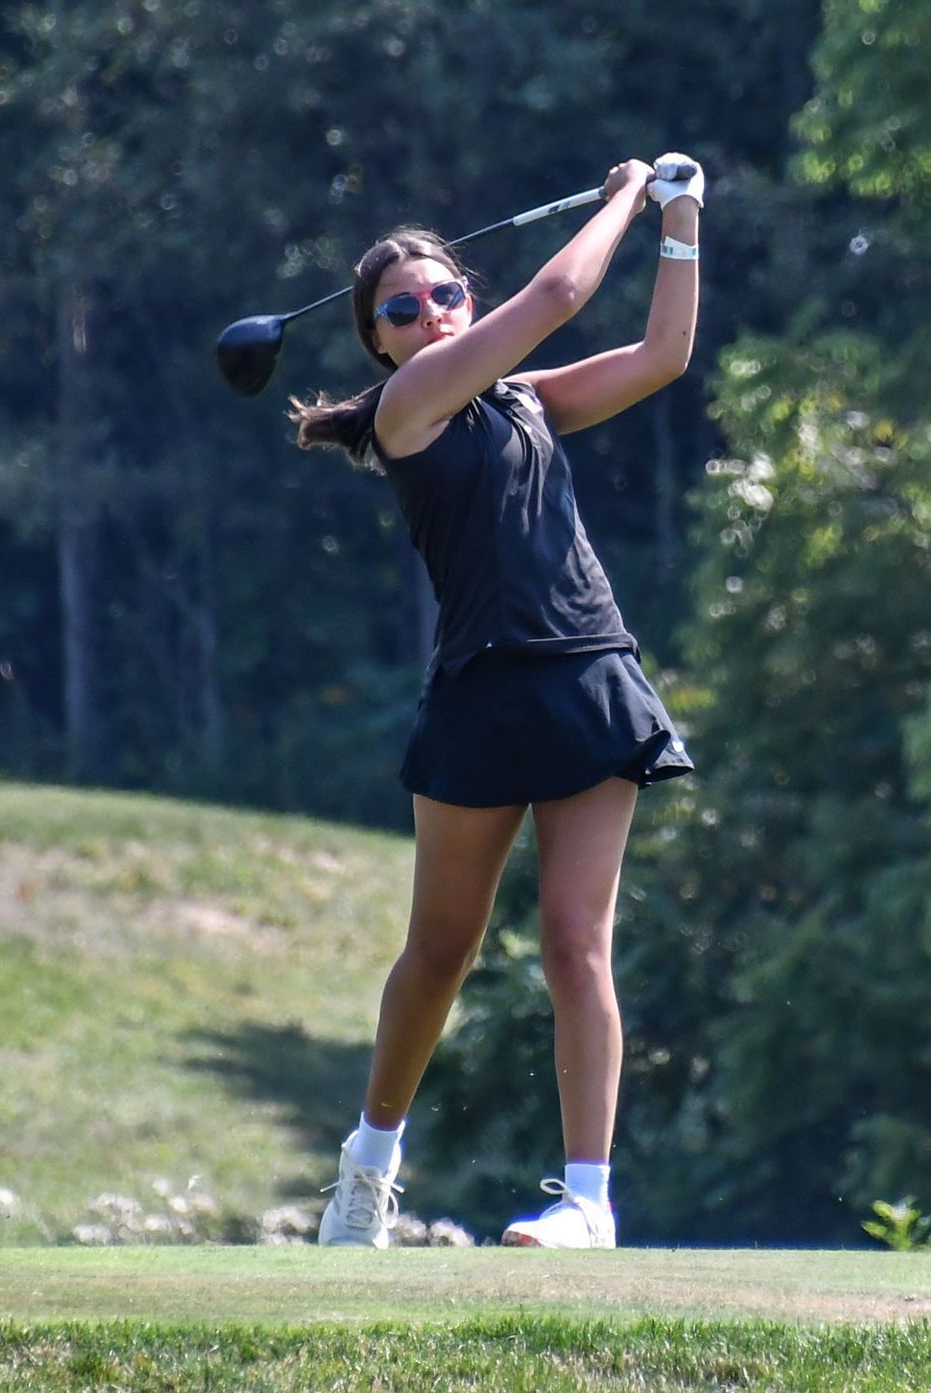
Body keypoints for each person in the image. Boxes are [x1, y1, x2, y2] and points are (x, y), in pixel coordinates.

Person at [288, 153, 704, 1249]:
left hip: (586, 675)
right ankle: (367, 1173)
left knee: (577, 943)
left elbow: (666, 355)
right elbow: (558, 296)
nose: (429, 312)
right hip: (481, 693)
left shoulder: (521, 401)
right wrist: (625, 196)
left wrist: (683, 219)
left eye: (444, 294)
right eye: (402, 307)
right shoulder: (409, 408)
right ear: (379, 340)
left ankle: (586, 1202)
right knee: (442, 950)